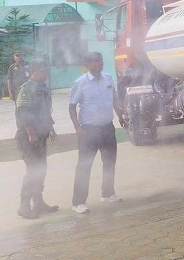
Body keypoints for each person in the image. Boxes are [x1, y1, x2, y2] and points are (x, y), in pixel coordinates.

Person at [69, 52, 127, 214]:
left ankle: (107, 193)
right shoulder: (80, 83)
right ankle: (78, 202)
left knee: (109, 162)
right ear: (87, 65)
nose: (99, 64)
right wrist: (77, 128)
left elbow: (114, 99)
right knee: (84, 166)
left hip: (107, 128)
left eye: (100, 61)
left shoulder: (108, 78)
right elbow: (72, 107)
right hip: (88, 131)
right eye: (94, 62)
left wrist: (120, 116)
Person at [15, 60, 59, 219]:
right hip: (28, 137)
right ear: (33, 71)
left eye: (47, 71)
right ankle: (24, 206)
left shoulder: (43, 88)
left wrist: (51, 128)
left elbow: (45, 111)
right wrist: (31, 133)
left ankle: (38, 202)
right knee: (33, 170)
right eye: (43, 71)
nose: (46, 74)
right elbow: (23, 113)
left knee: (41, 169)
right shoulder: (26, 89)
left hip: (41, 134)